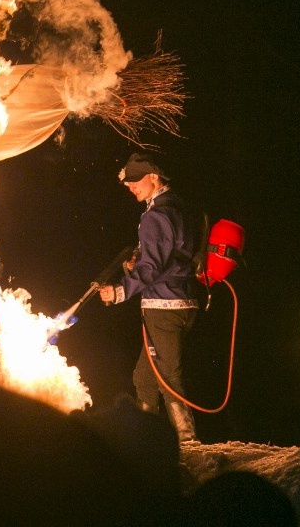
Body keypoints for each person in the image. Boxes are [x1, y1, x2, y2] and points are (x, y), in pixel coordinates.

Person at [99, 152, 199, 442]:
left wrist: (119, 291)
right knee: (144, 378)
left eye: (135, 180)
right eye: (127, 182)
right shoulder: (178, 207)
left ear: (154, 177)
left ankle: (187, 442)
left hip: (163, 306)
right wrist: (138, 262)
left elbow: (152, 268)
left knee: (169, 377)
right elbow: (171, 257)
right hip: (181, 302)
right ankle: (146, 439)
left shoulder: (155, 216)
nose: (131, 187)